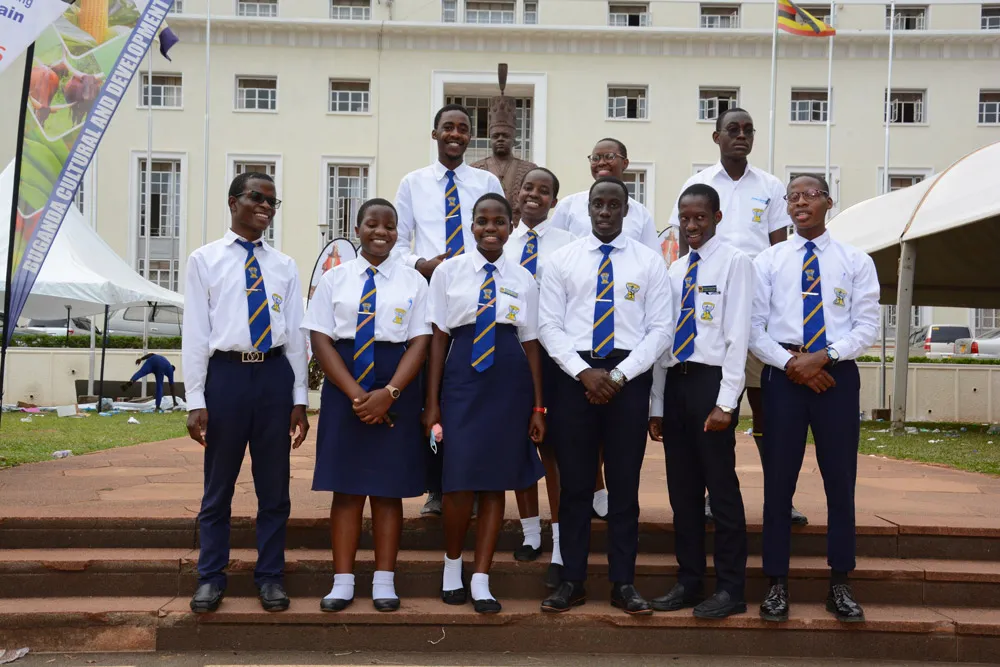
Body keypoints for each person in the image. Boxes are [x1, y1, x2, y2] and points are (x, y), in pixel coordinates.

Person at [538, 177, 671, 616]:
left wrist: (617, 375)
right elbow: (548, 327)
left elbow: (660, 331)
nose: (606, 212)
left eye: (615, 204)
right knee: (575, 485)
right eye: (599, 204)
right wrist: (584, 373)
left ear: (626, 210)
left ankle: (623, 583)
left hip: (626, 378)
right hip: (574, 378)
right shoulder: (562, 261)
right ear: (588, 208)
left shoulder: (649, 263)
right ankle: (571, 580)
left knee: (624, 487)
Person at [751, 175, 879, 624]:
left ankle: (839, 583)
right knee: (778, 482)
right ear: (786, 207)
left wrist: (823, 359)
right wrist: (795, 367)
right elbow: (754, 328)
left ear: (829, 201)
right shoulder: (767, 261)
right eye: (793, 197)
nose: (801, 202)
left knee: (839, 481)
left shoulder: (856, 261)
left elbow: (866, 326)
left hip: (836, 377)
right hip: (783, 375)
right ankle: (776, 584)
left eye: (810, 195)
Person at [669, 107, 806, 526]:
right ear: (717, 137)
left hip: (757, 307)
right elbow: (685, 243)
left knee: (769, 410)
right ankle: (713, 493)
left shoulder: (770, 185)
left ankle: (781, 498)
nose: (741, 136)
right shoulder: (697, 185)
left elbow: (780, 249)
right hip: (712, 312)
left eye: (748, 130)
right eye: (733, 129)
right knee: (716, 405)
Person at [182, 172, 310, 614]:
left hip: (273, 377)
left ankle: (270, 576)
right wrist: (195, 399)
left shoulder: (284, 265)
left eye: (274, 201)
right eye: (258, 197)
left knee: (273, 488)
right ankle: (210, 577)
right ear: (233, 201)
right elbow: (196, 332)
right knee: (218, 487)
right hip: (228, 378)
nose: (267, 207)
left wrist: (299, 397)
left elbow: (295, 334)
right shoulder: (205, 260)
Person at [302, 198, 431, 613]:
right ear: (357, 230)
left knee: (388, 490)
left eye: (390, 226)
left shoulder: (414, 282)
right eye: (372, 224)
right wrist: (357, 394)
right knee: (348, 488)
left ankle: (384, 581)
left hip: (396, 386)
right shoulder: (335, 278)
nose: (382, 231)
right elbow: (320, 339)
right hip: (346, 387)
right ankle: (341, 581)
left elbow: (420, 341)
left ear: (398, 232)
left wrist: (390, 392)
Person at [423, 193, 546, 614]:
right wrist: (432, 401)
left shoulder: (524, 278)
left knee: (495, 482)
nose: (490, 228)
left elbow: (530, 343)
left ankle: (481, 578)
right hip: (462, 381)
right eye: (482, 221)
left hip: (508, 382)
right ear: (471, 225)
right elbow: (438, 339)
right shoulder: (448, 273)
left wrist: (537, 406)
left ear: (511, 227)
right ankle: (451, 567)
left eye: (499, 222)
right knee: (458, 480)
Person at [394, 103, 505, 517]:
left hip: (477, 290)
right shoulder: (413, 183)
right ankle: (437, 486)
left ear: (469, 137)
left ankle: (475, 481)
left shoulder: (486, 180)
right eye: (448, 127)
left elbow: (495, 229)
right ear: (435, 133)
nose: (455, 134)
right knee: (432, 389)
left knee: (474, 387)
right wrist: (420, 265)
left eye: (463, 128)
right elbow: (400, 242)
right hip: (430, 287)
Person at [648, 184, 751, 619]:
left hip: (712, 384)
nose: (692, 226)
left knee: (720, 488)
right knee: (682, 491)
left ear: (717, 218)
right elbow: (661, 340)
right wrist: (656, 405)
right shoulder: (673, 272)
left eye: (700, 218)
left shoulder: (735, 263)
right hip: (677, 384)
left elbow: (738, 336)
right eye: (685, 219)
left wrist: (726, 403)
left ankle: (731, 588)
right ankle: (690, 581)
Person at [502, 167, 574, 589]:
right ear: (517, 194)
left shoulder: (569, 246)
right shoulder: (502, 244)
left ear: (554, 201)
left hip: (555, 359)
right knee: (518, 449)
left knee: (555, 454)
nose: (534, 195)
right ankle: (531, 533)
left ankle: (562, 544)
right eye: (529, 188)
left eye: (544, 191)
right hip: (511, 360)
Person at [550, 138, 659, 253]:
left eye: (609, 156)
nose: (601, 163)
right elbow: (552, 247)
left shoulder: (641, 214)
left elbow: (653, 257)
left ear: (625, 163)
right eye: (595, 158)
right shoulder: (568, 205)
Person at [470, 68, 537, 222]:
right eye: (495, 136)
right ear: (490, 139)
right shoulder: (474, 169)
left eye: (505, 136)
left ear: (514, 138)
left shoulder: (530, 169)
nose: (500, 139)